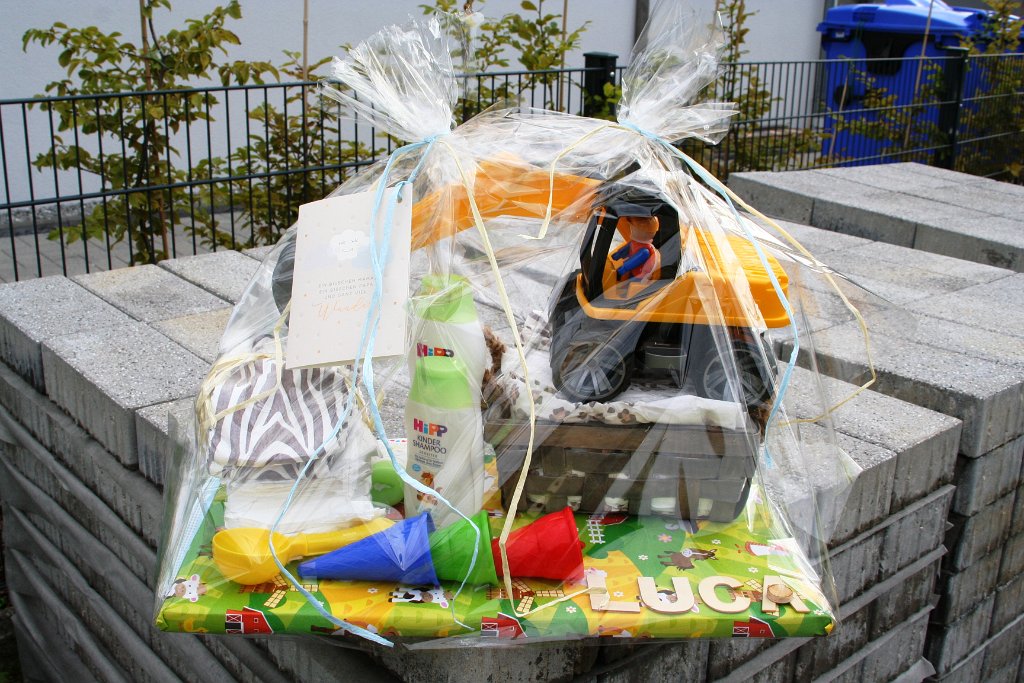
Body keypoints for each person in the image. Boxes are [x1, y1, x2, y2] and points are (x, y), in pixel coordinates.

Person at [612, 215, 661, 283]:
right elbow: (627, 248)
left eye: (632, 228)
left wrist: (622, 270)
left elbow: (633, 262)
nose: (631, 229)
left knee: (628, 284)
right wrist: (617, 255)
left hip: (638, 276)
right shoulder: (636, 243)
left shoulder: (644, 251)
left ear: (643, 232)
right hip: (633, 270)